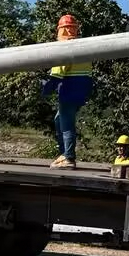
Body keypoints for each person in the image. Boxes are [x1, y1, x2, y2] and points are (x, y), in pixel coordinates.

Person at [41, 14, 93, 170]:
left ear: (60, 30)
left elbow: (56, 76)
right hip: (82, 90)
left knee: (66, 124)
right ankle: (64, 154)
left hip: (69, 90)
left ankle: (68, 157)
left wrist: (44, 89)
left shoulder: (64, 48)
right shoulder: (82, 47)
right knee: (59, 120)